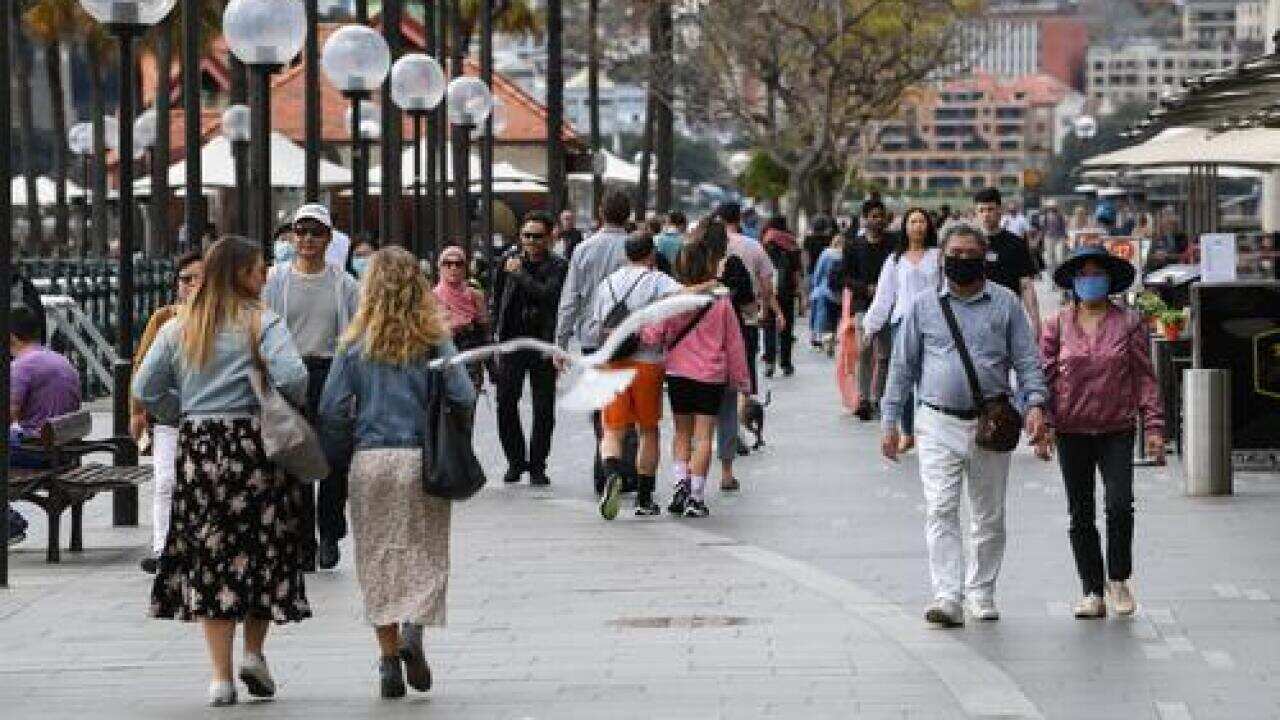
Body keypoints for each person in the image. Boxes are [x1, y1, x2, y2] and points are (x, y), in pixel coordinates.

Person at [133, 236, 311, 706]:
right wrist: (268, 400)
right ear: (241, 274)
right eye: (258, 269)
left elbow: (145, 385)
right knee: (263, 547)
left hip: (199, 448)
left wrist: (182, 413)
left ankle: (220, 677)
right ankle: (253, 651)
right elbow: (294, 377)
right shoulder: (261, 321)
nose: (265, 276)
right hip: (254, 447)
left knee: (211, 554)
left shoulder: (180, 324)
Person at [317, 247, 474, 698]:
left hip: (370, 461)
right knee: (425, 553)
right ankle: (413, 634)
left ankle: (387, 659)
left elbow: (330, 408)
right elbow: (462, 394)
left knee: (377, 556)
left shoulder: (353, 342)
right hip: (422, 460)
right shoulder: (434, 338)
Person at [880, 222, 1048, 627]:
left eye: (970, 256)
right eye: (953, 255)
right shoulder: (922, 306)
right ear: (942, 259)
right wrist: (889, 419)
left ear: (984, 259)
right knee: (940, 507)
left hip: (992, 422)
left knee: (988, 516)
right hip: (937, 420)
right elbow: (902, 367)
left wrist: (1036, 405)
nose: (961, 262)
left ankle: (982, 591)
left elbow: (1026, 360)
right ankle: (948, 595)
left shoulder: (1006, 304)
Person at [1040, 246, 1164, 619]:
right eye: (1083, 274)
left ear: (1109, 281)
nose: (1090, 280)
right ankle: (1091, 590)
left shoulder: (1129, 323)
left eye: (1097, 273)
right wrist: (1042, 423)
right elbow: (1042, 377)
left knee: (1119, 505)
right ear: (1073, 282)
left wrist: (1155, 426)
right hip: (1071, 429)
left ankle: (1119, 578)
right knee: (1080, 512)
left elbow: (1145, 377)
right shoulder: (1057, 325)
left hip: (1117, 428)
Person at [262, 203, 360, 571]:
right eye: (300, 231)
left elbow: (356, 334)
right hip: (288, 372)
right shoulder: (276, 280)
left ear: (328, 238)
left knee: (334, 459)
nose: (306, 239)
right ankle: (302, 539)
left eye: (315, 232)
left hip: (332, 371)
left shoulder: (344, 284)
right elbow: (262, 326)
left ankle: (330, 532)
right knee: (297, 459)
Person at [640, 240, 750, 518]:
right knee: (703, 438)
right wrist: (741, 380)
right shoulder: (722, 300)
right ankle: (696, 496)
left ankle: (680, 486)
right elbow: (734, 343)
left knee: (681, 433)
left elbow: (652, 336)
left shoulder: (674, 300)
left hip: (678, 374)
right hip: (711, 375)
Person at [592, 232, 683, 519]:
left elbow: (596, 322)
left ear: (625, 255)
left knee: (612, 431)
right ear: (651, 254)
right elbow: (683, 297)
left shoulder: (607, 283)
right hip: (648, 362)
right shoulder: (657, 280)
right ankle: (645, 498)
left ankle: (611, 474)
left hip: (614, 363)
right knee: (648, 430)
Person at [132, 250, 204, 573]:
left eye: (197, 278)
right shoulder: (163, 319)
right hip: (168, 416)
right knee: (165, 481)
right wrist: (137, 412)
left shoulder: (223, 320)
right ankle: (163, 548)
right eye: (184, 279)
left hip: (207, 415)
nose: (190, 286)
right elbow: (142, 366)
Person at [557, 190, 632, 490]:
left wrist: (560, 342)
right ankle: (627, 468)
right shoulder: (637, 248)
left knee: (600, 404)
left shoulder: (584, 249)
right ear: (628, 214)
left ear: (600, 212)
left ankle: (604, 468)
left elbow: (570, 297)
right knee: (627, 402)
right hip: (629, 336)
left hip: (593, 336)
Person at [493, 211, 569, 485]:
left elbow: (549, 295)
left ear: (550, 238)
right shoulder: (507, 263)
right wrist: (496, 339)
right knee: (505, 403)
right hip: (512, 341)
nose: (531, 241)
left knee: (543, 408)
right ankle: (515, 460)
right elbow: (498, 300)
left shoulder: (558, 266)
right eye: (526, 235)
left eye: (537, 236)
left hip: (542, 344)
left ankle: (538, 465)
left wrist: (520, 274)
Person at [863, 207, 940, 453]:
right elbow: (884, 297)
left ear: (928, 226)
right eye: (912, 221)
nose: (917, 226)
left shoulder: (938, 257)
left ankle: (927, 431)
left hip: (933, 325)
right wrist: (871, 327)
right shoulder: (895, 261)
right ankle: (907, 432)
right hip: (901, 325)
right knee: (903, 379)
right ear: (905, 227)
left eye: (921, 221)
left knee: (929, 380)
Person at [6, 305, 82, 547]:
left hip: (37, 451)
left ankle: (10, 523)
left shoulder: (22, 366)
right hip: (60, 449)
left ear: (10, 337)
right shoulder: (58, 359)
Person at [698, 221, 756, 491]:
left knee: (694, 414)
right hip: (726, 338)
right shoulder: (733, 266)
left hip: (694, 345)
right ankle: (726, 472)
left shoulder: (691, 268)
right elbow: (748, 302)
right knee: (727, 410)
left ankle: (691, 474)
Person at [841, 199, 894, 421]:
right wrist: (866, 288)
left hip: (889, 306)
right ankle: (862, 398)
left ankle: (877, 398)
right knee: (864, 351)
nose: (878, 220)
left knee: (885, 355)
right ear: (865, 219)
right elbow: (844, 277)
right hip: (863, 305)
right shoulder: (854, 245)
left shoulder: (894, 243)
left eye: (880, 215)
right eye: (873, 216)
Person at [975, 188, 1042, 339]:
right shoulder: (969, 245)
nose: (986, 215)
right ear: (976, 213)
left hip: (1008, 314)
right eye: (981, 210)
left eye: (990, 209)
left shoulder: (1016, 243)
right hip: (975, 314)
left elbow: (1025, 285)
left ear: (1000, 210)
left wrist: (1035, 321)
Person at [434, 245, 491, 391]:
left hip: (469, 351)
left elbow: (485, 332)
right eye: (448, 264)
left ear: (465, 268)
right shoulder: (431, 296)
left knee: (469, 399)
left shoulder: (475, 295)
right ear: (440, 267)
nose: (453, 268)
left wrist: (492, 367)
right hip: (442, 352)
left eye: (458, 264)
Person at [761, 216, 802, 377]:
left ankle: (770, 361)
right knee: (787, 326)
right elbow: (797, 271)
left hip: (770, 289)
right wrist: (799, 292)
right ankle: (786, 363)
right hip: (787, 291)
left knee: (769, 325)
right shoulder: (792, 243)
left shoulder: (766, 240)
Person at [808, 232, 843, 353]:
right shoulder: (846, 255)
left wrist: (814, 285)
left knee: (821, 316)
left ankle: (821, 339)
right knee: (836, 317)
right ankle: (832, 338)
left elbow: (818, 271)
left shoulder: (827, 253)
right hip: (840, 293)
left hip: (824, 290)